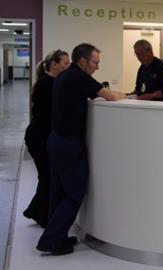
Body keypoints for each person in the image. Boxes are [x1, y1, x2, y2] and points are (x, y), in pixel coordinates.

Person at [36, 43, 125, 255]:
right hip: (68, 145)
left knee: (58, 192)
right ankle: (50, 240)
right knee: (74, 194)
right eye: (95, 62)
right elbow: (110, 96)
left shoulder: (65, 76)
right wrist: (125, 95)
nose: (97, 67)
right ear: (83, 61)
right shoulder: (78, 77)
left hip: (56, 140)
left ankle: (56, 236)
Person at [22, 49, 70, 228]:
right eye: (65, 63)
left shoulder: (52, 83)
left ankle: (35, 210)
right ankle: (42, 216)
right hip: (39, 137)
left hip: (42, 136)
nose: (68, 67)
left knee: (47, 176)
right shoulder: (47, 85)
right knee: (47, 177)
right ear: (54, 64)